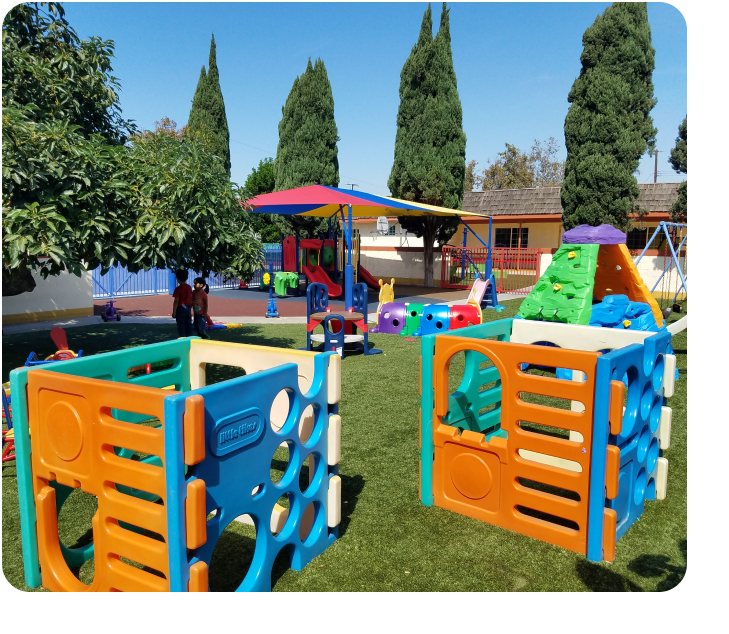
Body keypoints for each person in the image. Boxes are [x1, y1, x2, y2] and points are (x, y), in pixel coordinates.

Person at [171, 269, 193, 337]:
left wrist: (174, 312)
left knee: (181, 323)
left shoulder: (177, 289)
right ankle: (189, 336)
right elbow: (191, 297)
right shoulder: (189, 287)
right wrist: (190, 305)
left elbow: (176, 301)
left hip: (180, 307)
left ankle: (182, 336)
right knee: (188, 323)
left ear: (177, 278)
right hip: (188, 306)